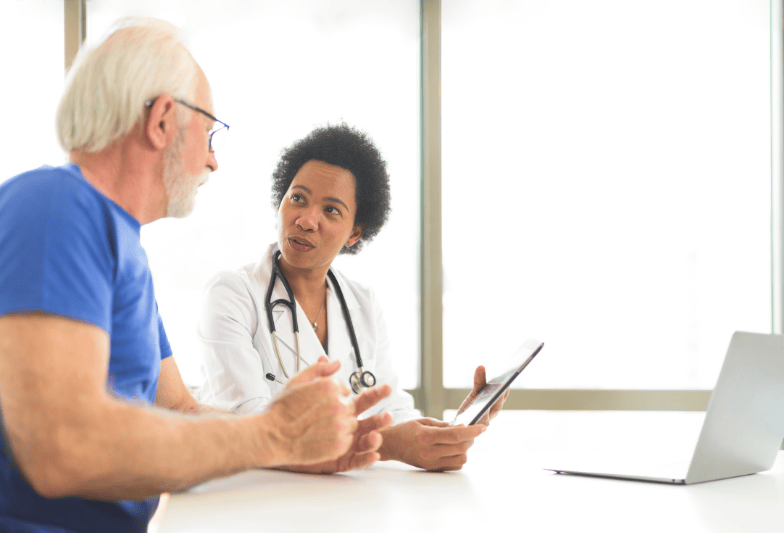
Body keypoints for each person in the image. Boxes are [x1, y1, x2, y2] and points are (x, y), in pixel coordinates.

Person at [0, 19, 391, 533]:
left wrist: (300, 444)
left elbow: (179, 408)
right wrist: (273, 435)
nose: (212, 160)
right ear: (162, 120)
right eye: (209, 133)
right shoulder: (57, 206)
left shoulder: (123, 249)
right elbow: (62, 447)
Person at [196, 123, 508, 473]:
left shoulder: (363, 303)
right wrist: (388, 444)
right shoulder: (232, 294)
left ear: (354, 233)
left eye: (331, 210)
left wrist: (450, 432)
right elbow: (249, 423)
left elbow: (392, 413)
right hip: (250, 493)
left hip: (345, 496)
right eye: (298, 198)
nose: (306, 220)